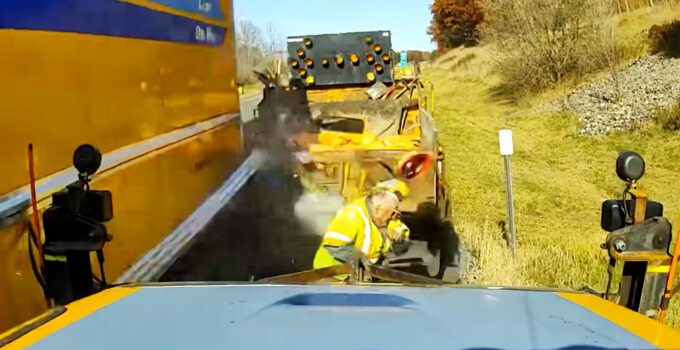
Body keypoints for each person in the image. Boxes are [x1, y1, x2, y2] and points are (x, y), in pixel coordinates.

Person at [312, 179, 411, 270]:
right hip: (331, 274)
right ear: (378, 209)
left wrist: (399, 240)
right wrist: (360, 259)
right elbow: (334, 247)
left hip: (359, 277)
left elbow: (400, 243)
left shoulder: (389, 216)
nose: (396, 212)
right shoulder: (352, 214)